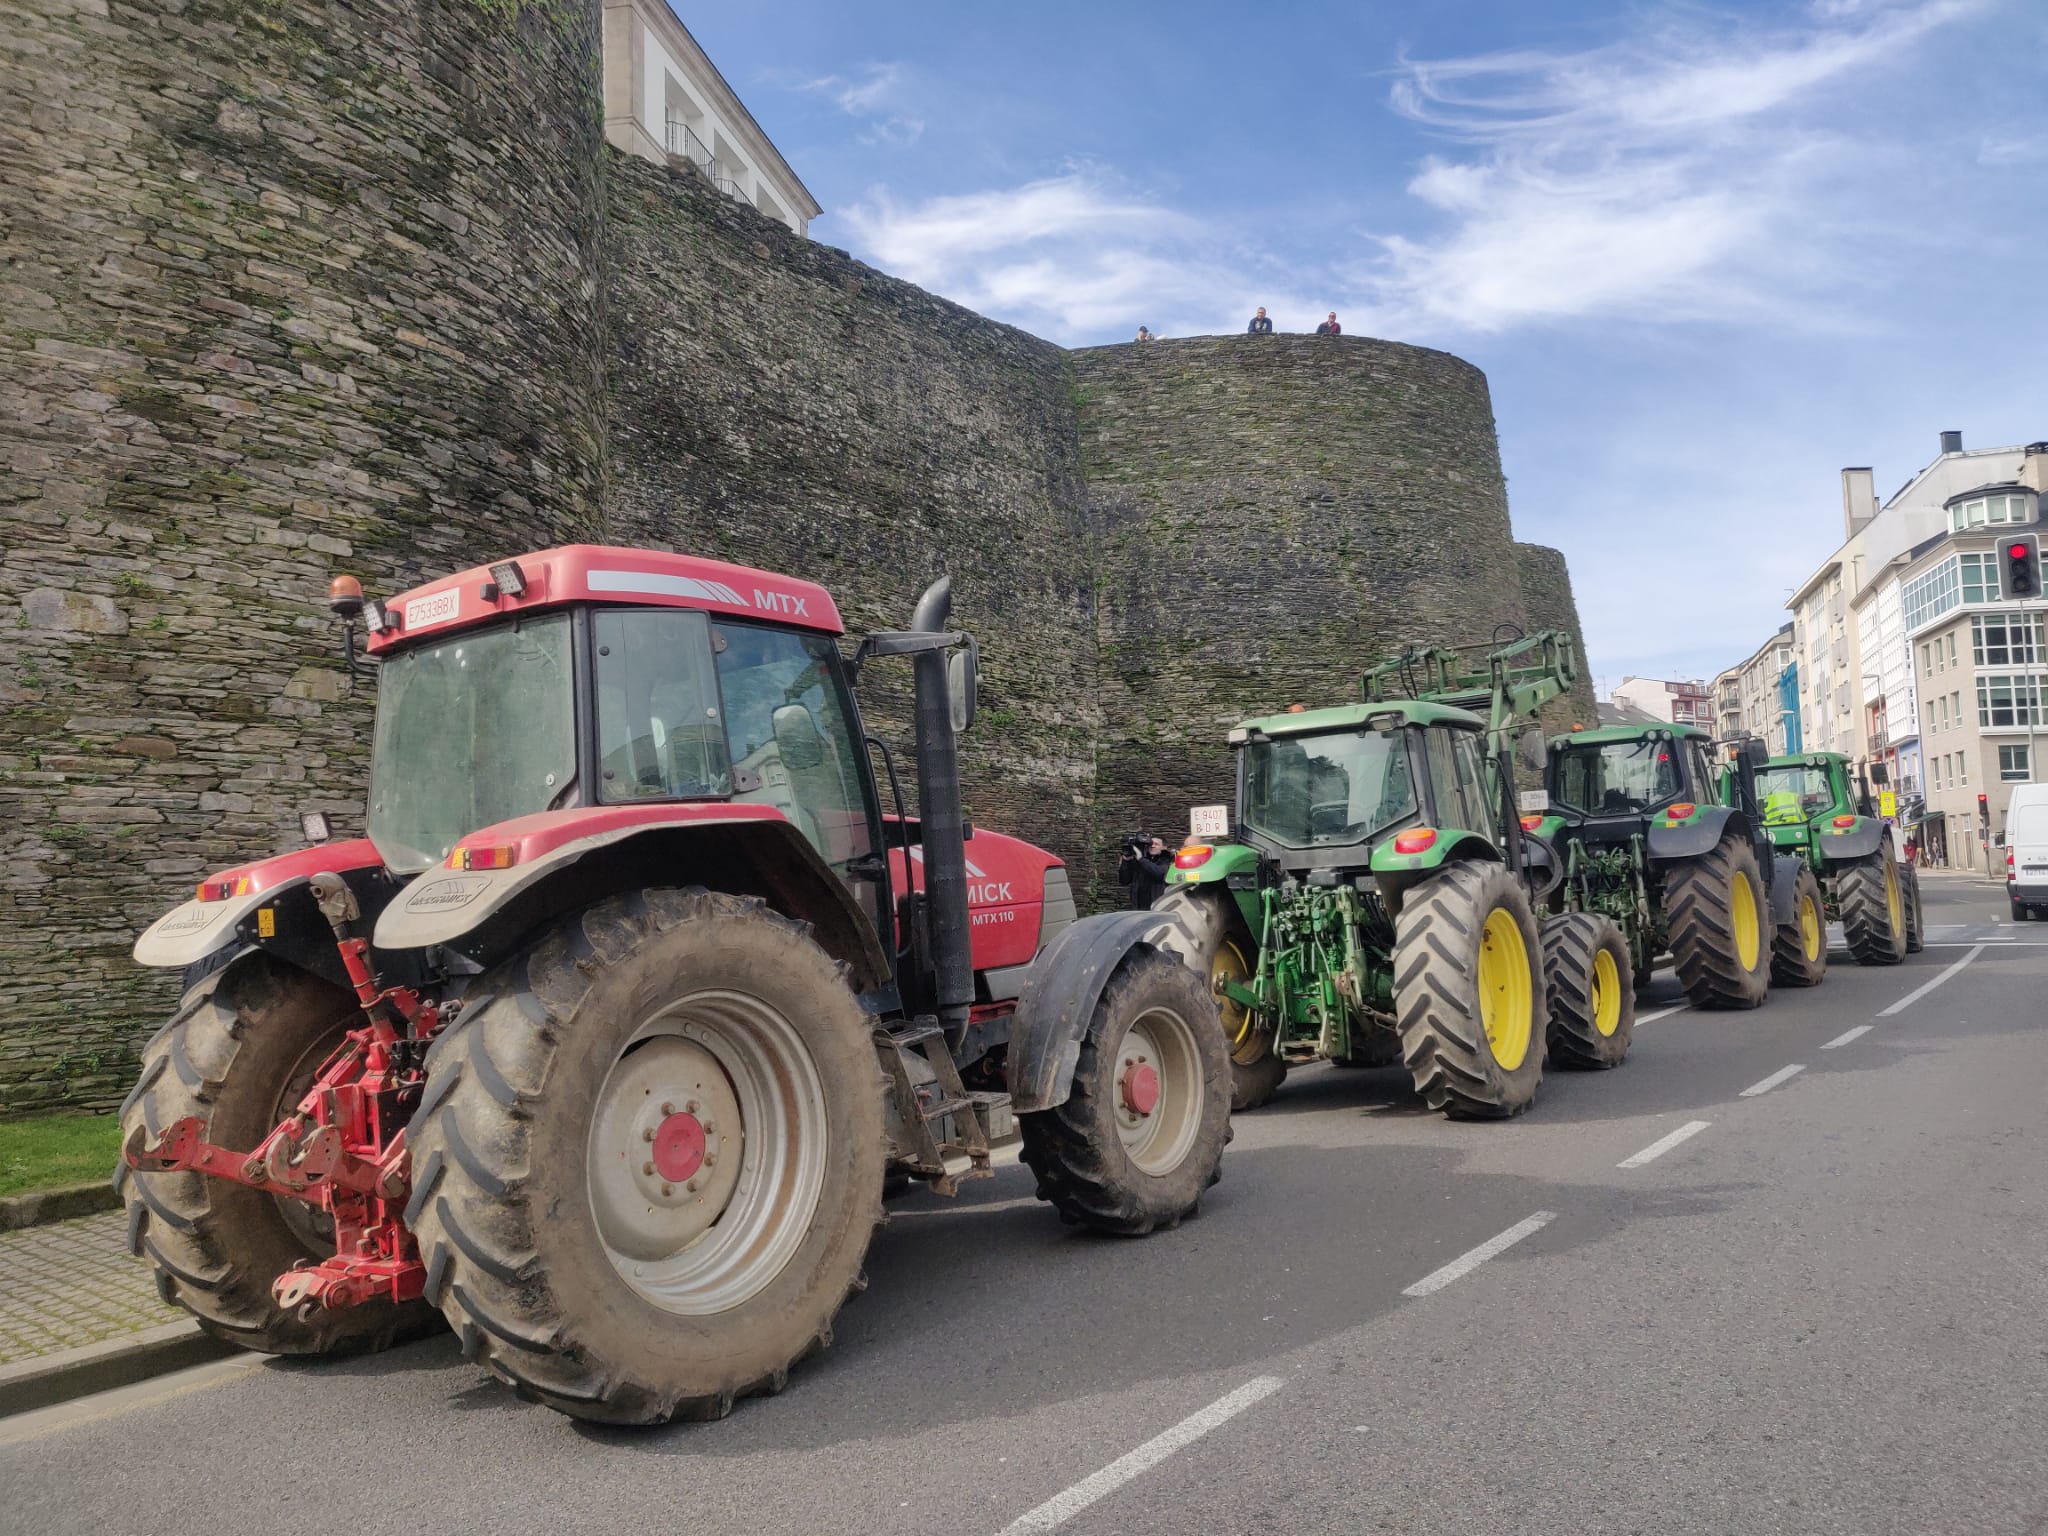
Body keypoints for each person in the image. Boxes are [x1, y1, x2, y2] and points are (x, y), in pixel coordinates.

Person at [1118, 835, 1170, 909]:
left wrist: (1141, 859)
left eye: (1156, 844)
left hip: (1157, 906)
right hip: (1138, 908)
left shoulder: (1167, 859)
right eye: (1151, 844)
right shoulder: (1140, 860)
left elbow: (1160, 874)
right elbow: (1124, 880)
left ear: (1164, 847)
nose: (1152, 846)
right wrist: (1126, 862)